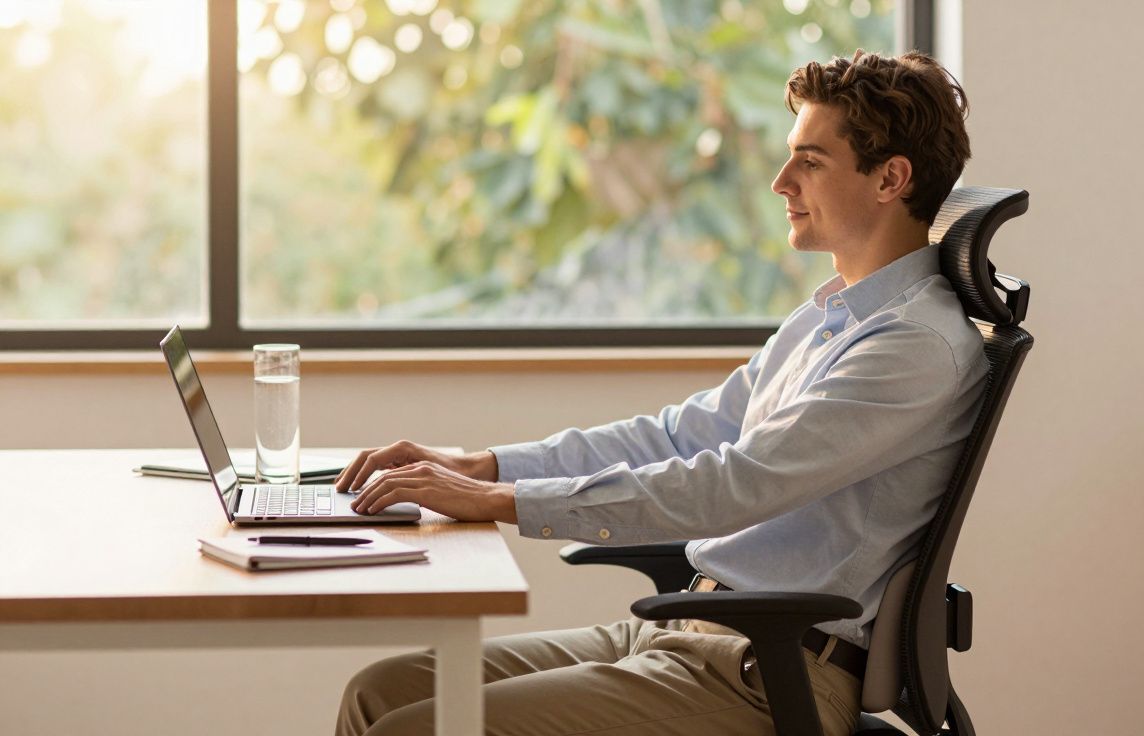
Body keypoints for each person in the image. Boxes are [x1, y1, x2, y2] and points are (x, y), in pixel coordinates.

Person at [335, 49, 985, 736]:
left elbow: (735, 484)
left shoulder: (913, 346)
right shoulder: (830, 317)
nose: (780, 181)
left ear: (891, 178)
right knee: (380, 692)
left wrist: (500, 504)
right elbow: (681, 435)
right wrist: (486, 467)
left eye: (811, 161)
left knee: (410, 731)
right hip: (690, 633)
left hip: (770, 677)